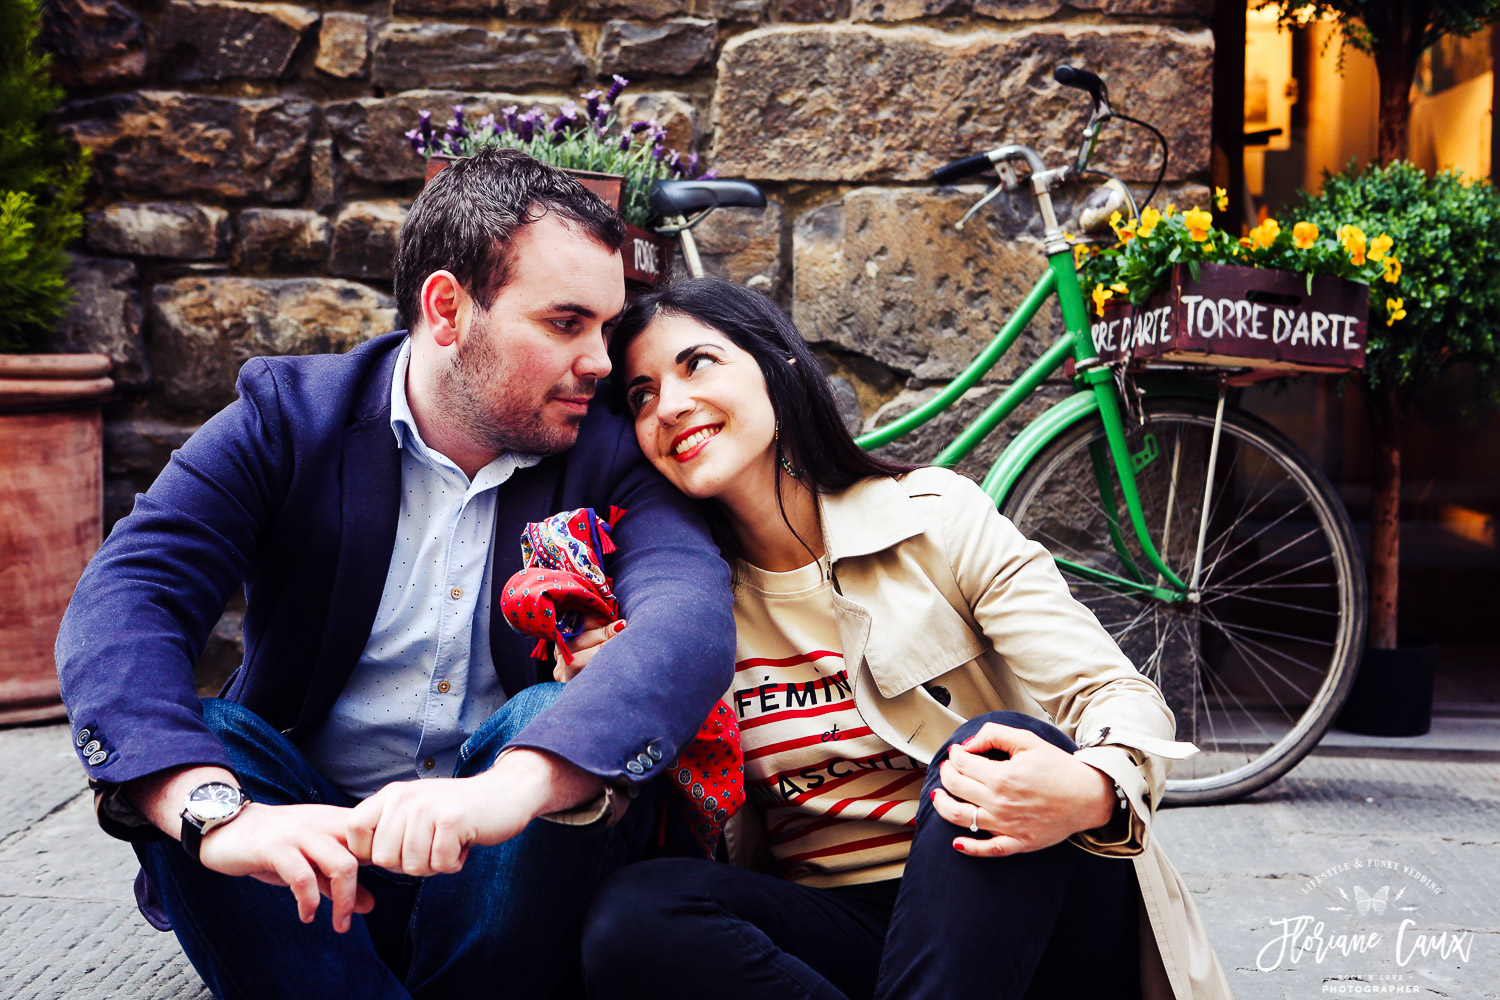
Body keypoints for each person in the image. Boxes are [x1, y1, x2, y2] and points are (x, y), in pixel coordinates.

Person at [53, 149, 735, 999]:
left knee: (554, 714)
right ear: (448, 309)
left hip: (510, 870)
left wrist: (513, 788)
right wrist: (211, 812)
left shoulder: (606, 449)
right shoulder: (288, 419)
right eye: (566, 324)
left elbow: (689, 617)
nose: (602, 361)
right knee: (214, 739)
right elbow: (131, 595)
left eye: (607, 326)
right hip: (308, 861)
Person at [573, 277, 1234, 1000]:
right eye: (640, 394)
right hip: (846, 931)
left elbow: (1114, 691)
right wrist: (615, 686)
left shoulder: (935, 518)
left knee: (988, 749)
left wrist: (1096, 786)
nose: (668, 405)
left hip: (1022, 903)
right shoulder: (679, 604)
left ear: (779, 367)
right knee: (638, 912)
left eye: (697, 364)